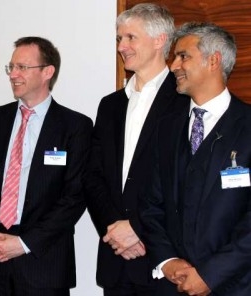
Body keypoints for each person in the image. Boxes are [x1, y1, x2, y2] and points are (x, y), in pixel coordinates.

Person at [0, 36, 92, 296]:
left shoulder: (75, 126)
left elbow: (74, 197)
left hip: (44, 263)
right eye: (10, 67)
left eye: (22, 67)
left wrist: (24, 243)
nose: (13, 74)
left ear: (47, 72)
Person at [84, 4, 189, 295]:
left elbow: (184, 181)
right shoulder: (110, 105)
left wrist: (137, 229)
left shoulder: (185, 101)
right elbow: (93, 175)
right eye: (119, 39)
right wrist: (115, 229)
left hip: (164, 259)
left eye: (130, 37)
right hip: (116, 259)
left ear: (160, 40)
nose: (122, 46)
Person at [140, 22, 251, 295]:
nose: (174, 65)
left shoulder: (248, 125)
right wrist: (168, 261)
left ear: (213, 60)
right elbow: (149, 203)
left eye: (183, 56)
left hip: (235, 285)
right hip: (172, 284)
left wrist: (210, 275)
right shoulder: (165, 127)